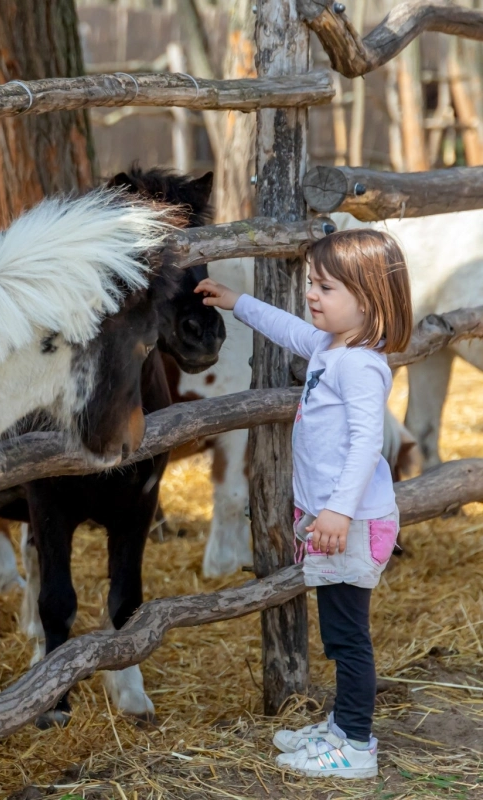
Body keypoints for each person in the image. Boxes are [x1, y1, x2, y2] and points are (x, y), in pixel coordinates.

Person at [195, 229, 413, 779]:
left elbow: (367, 442)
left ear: (369, 298)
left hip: (353, 520)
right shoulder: (329, 345)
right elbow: (289, 329)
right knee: (339, 632)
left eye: (327, 287)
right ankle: (342, 727)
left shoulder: (360, 364)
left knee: (347, 638)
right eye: (311, 283)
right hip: (336, 519)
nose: (312, 295)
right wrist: (237, 302)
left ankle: (357, 747)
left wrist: (338, 511)